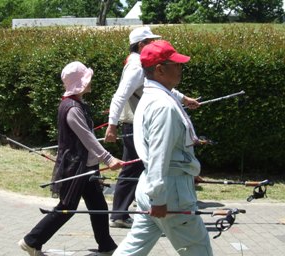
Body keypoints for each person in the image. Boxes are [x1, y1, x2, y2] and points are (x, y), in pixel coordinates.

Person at [112, 40, 213, 256]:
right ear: (159, 70)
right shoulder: (163, 106)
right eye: (176, 64)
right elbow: (159, 154)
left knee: (133, 248)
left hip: (152, 185)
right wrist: (159, 198)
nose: (180, 68)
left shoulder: (151, 97)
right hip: (169, 191)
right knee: (199, 250)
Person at [18, 61, 124, 256]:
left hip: (86, 165)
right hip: (76, 167)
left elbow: (86, 135)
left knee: (98, 207)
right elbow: (88, 139)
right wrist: (109, 159)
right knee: (67, 207)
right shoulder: (72, 108)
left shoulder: (77, 104)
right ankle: (31, 241)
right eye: (87, 79)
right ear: (80, 83)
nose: (90, 82)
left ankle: (107, 246)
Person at [105, 26, 200, 228]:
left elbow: (159, 87)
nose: (155, 43)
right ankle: (119, 214)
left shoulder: (140, 64)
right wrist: (112, 125)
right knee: (132, 169)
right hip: (135, 124)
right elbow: (120, 95)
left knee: (136, 168)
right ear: (141, 45)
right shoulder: (137, 66)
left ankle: (125, 211)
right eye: (150, 41)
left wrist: (184, 99)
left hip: (138, 122)